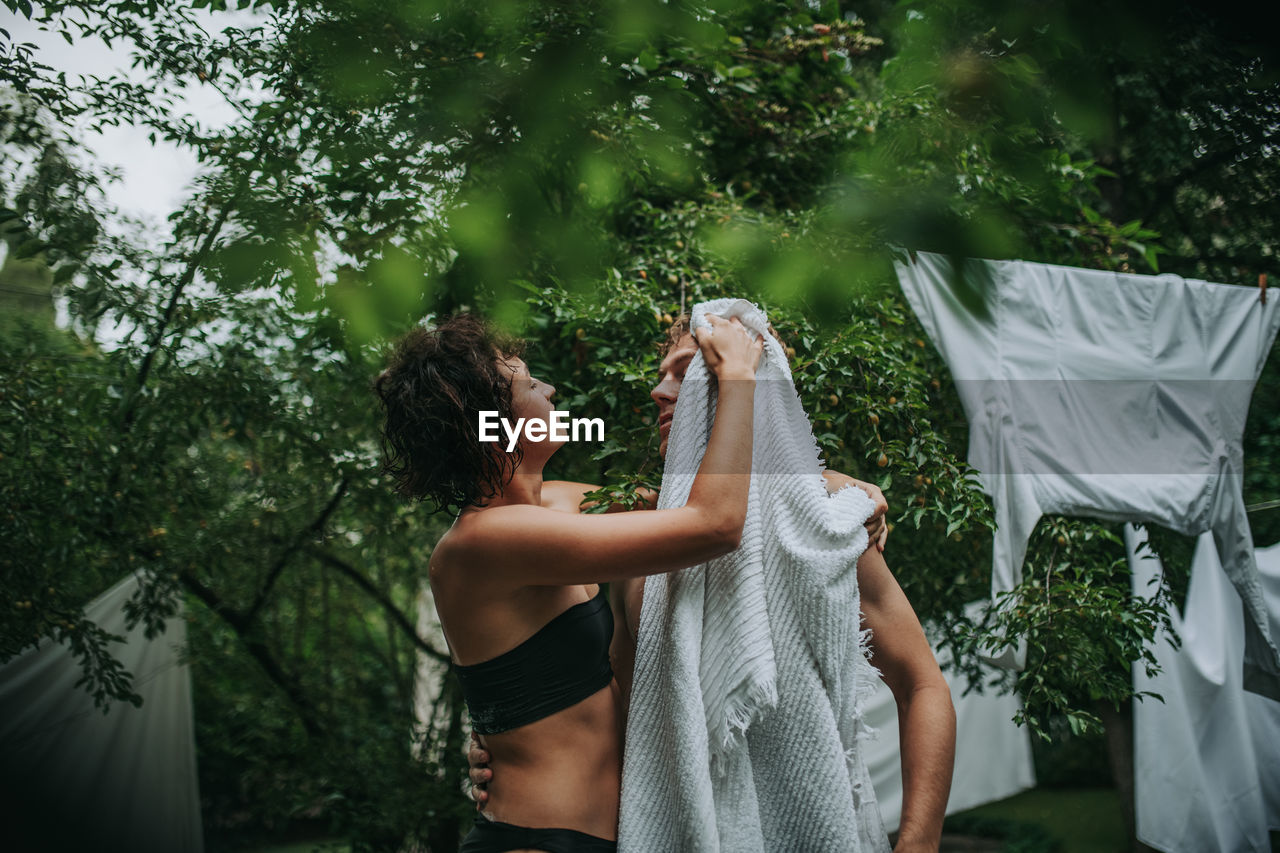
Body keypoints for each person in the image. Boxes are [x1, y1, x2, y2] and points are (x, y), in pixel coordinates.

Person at [469, 317, 957, 853]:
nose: (657, 390)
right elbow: (627, 718)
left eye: (684, 373)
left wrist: (920, 841)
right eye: (661, 377)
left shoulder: (824, 531)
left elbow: (923, 686)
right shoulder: (636, 547)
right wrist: (504, 742)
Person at [375, 312, 764, 852]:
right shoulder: (482, 543)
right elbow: (714, 525)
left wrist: (839, 490)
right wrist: (742, 377)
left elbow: (699, 500)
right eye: (530, 384)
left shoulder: (555, 503)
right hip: (535, 840)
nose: (551, 388)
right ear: (492, 422)